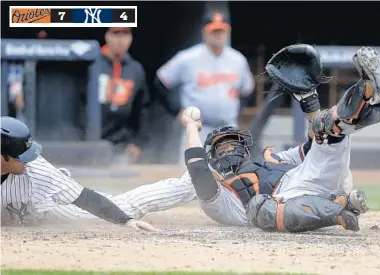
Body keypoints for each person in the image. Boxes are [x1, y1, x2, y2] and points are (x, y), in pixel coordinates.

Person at [181, 45, 380, 232]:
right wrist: (192, 127)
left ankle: (370, 92)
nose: (228, 152)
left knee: (323, 131)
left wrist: (309, 102)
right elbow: (198, 171)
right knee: (259, 207)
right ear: (213, 159)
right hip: (294, 200)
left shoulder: (271, 158)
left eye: (231, 147)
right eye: (222, 150)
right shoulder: (220, 195)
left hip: (313, 177)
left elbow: (312, 146)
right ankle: (338, 209)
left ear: (244, 148)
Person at [1, 116, 156, 232]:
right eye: (22, 158)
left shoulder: (37, 168)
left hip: (44, 206)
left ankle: (180, 187)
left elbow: (84, 197)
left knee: (125, 207)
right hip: (15, 211)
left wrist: (125, 220)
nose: (28, 161)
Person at [155, 10, 255, 163]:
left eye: (221, 30)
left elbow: (248, 90)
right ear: (205, 32)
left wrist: (238, 112)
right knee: (191, 179)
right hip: (198, 129)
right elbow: (160, 82)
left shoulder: (238, 60)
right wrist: (176, 111)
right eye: (214, 31)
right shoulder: (188, 58)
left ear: (228, 31)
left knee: (231, 178)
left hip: (228, 129)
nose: (218, 35)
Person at [97, 27, 150, 163]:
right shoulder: (92, 63)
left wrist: (137, 142)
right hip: (90, 141)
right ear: (107, 36)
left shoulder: (135, 69)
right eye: (116, 34)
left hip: (120, 144)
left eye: (126, 34)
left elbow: (142, 108)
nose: (121, 40)